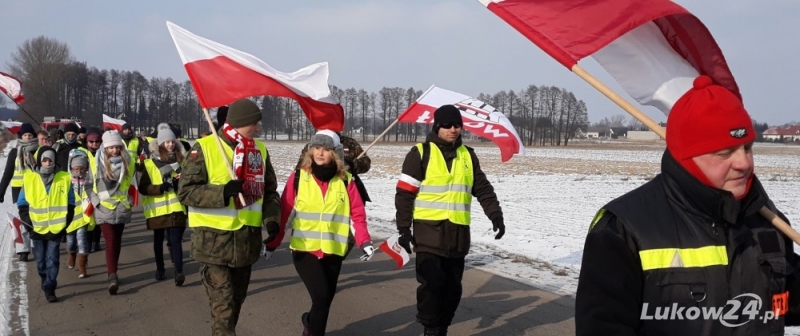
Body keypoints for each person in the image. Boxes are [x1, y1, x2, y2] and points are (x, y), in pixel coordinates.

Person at [575, 76, 800, 335]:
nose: (744, 163)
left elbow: (783, 302)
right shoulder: (623, 228)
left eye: (747, 147)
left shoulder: (767, 219)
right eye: (725, 152)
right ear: (687, 159)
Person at [394, 105, 505, 336]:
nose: (453, 129)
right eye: (447, 125)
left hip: (457, 237)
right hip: (428, 235)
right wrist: (403, 228)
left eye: (457, 125)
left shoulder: (468, 155)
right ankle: (430, 327)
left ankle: (441, 327)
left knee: (452, 290)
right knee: (432, 286)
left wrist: (495, 214)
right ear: (437, 126)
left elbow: (482, 188)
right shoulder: (420, 153)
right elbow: (404, 194)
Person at [178, 98, 280, 336]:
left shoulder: (260, 150)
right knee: (223, 311)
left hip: (246, 245)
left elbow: (270, 192)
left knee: (234, 306)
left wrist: (272, 220)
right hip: (213, 246)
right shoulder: (204, 147)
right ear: (239, 122)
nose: (258, 128)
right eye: (254, 123)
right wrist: (222, 192)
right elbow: (185, 192)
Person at [274, 130, 374, 336]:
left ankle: (310, 322)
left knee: (325, 300)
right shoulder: (299, 177)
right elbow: (285, 212)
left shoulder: (346, 180)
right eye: (317, 148)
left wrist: (364, 241)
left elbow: (357, 215)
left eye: (326, 149)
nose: (320, 153)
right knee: (321, 296)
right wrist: (272, 242)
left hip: (333, 250)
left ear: (335, 153)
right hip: (305, 250)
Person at [294, 131, 372, 259]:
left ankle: (336, 255)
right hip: (318, 189)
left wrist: (352, 165)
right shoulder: (315, 142)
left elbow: (366, 162)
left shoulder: (350, 143)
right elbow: (302, 166)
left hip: (345, 187)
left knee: (346, 236)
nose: (320, 152)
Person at [17, 146, 75, 302]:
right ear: (40, 161)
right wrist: (28, 223)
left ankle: (50, 287)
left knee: (53, 259)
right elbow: (22, 203)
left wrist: (66, 222)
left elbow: (71, 202)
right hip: (36, 228)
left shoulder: (64, 177)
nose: (48, 163)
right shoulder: (29, 178)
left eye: (50, 160)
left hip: (56, 228)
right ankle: (44, 277)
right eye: (45, 160)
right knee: (41, 260)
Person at [86, 130, 135, 295]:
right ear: (105, 147)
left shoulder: (128, 161)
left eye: (117, 147)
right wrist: (95, 201)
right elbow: (87, 184)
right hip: (103, 207)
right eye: (111, 147)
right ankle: (112, 276)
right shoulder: (95, 162)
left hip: (121, 207)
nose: (114, 150)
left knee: (117, 241)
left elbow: (133, 182)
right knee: (110, 241)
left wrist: (130, 199)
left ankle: (113, 270)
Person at [138, 128, 187, 285]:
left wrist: (180, 183)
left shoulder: (182, 161)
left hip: (177, 208)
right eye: (167, 142)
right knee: (158, 241)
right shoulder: (149, 164)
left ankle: (179, 271)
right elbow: (143, 187)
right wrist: (159, 188)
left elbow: (190, 182)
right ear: (160, 144)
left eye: (173, 142)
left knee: (176, 240)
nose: (171, 145)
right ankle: (160, 268)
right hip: (157, 210)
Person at [0, 123, 38, 261]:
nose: (27, 138)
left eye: (30, 135)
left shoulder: (38, 150)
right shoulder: (14, 152)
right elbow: (7, 173)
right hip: (19, 189)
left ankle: (36, 245)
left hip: (35, 188)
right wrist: (1, 191)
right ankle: (23, 250)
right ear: (20, 136)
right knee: (20, 220)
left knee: (35, 217)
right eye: (25, 135)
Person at [64, 149, 95, 278]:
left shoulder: (89, 181)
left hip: (84, 217)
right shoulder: (66, 181)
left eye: (81, 168)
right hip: (70, 218)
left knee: (82, 242)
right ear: (71, 168)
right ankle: (71, 254)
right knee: (71, 242)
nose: (79, 171)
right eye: (76, 168)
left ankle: (82, 267)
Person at [83, 128, 104, 253]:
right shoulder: (82, 153)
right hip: (86, 190)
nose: (94, 144)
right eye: (91, 142)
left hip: (101, 190)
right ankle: (88, 242)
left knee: (98, 220)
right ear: (86, 142)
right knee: (88, 218)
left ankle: (96, 241)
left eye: (97, 142)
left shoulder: (104, 154)